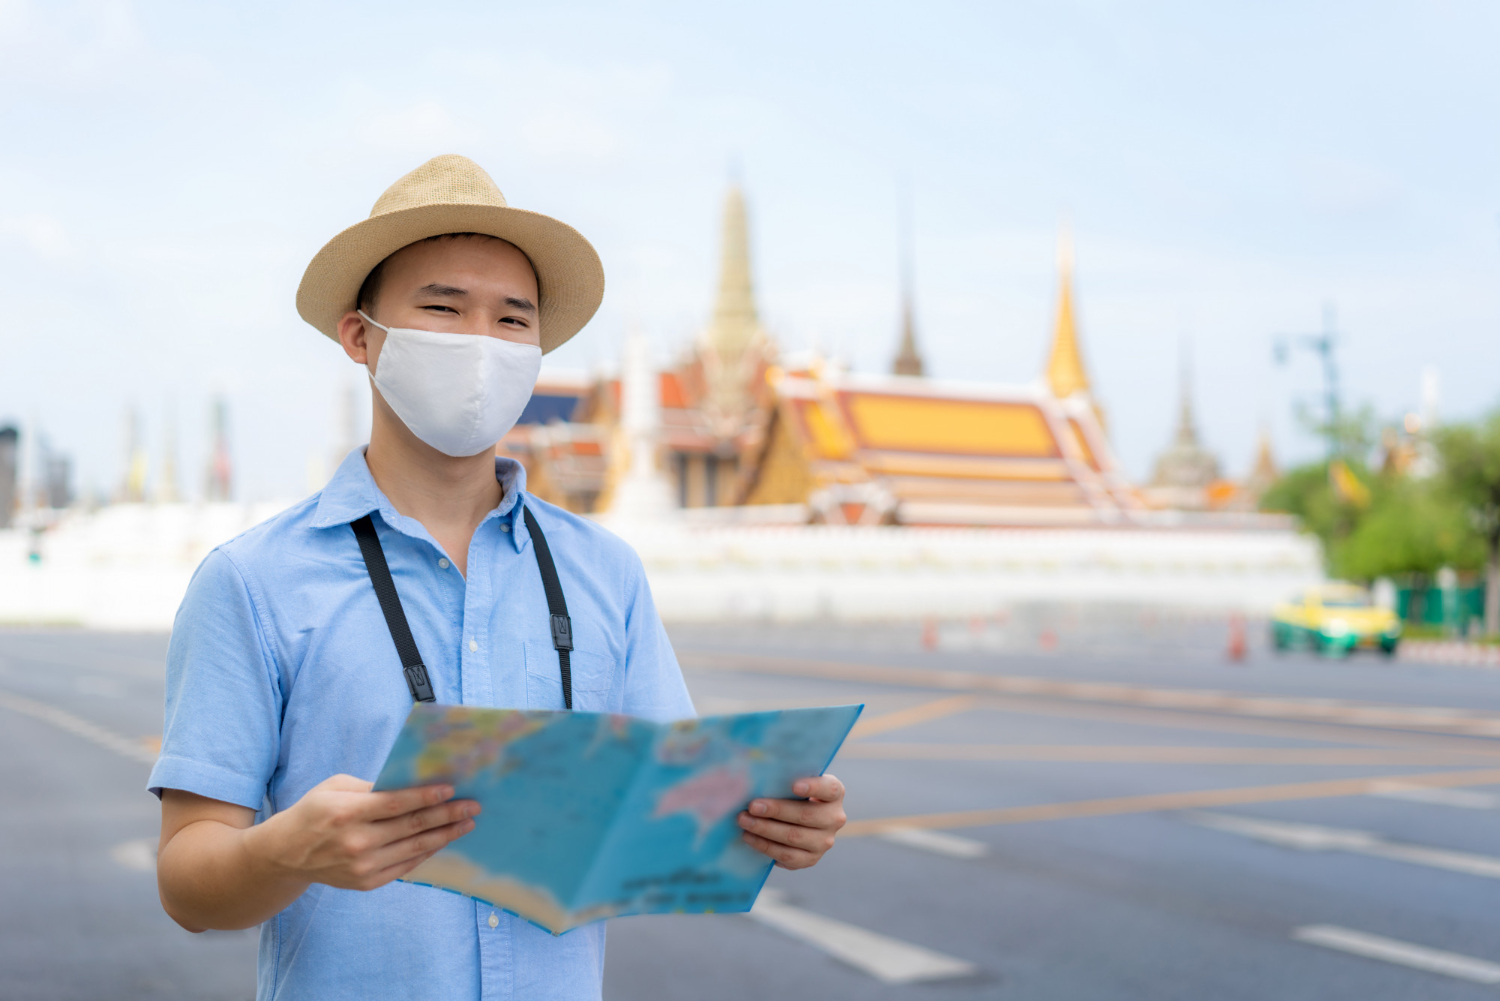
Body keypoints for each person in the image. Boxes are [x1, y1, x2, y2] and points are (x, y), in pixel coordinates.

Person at [149, 155, 848, 1001]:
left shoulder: (604, 572)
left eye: (513, 320)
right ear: (361, 336)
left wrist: (773, 820)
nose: (481, 340)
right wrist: (282, 850)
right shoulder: (254, 581)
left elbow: (672, 805)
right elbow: (187, 882)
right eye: (443, 307)